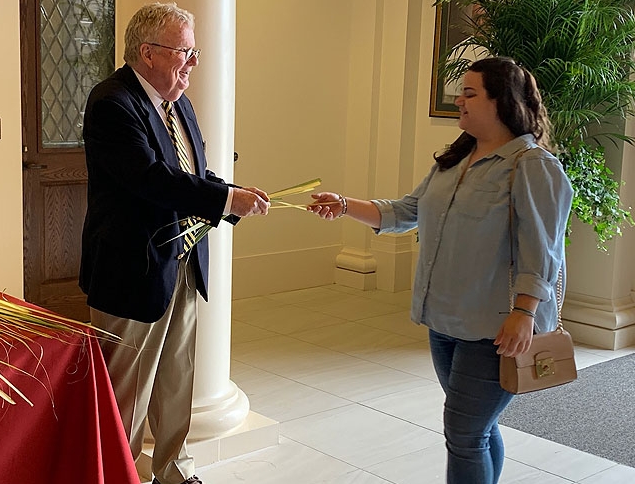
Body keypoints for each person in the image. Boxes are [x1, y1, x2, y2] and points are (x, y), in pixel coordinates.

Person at [308, 57, 573, 484]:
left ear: (501, 101)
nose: (459, 103)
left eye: (470, 94)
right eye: (459, 94)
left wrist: (524, 313)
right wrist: (342, 205)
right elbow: (406, 211)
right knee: (477, 430)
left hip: (494, 327)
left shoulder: (532, 165)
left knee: (465, 433)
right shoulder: (455, 160)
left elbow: (542, 251)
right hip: (444, 320)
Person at [79, 3, 270, 484]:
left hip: (181, 266)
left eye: (194, 50)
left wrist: (231, 195)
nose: (193, 62)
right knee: (127, 394)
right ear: (148, 53)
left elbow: (191, 173)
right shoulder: (112, 103)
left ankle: (173, 472)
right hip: (131, 273)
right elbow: (152, 180)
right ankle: (119, 476)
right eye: (185, 51)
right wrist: (226, 199)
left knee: (175, 382)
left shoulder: (178, 100)